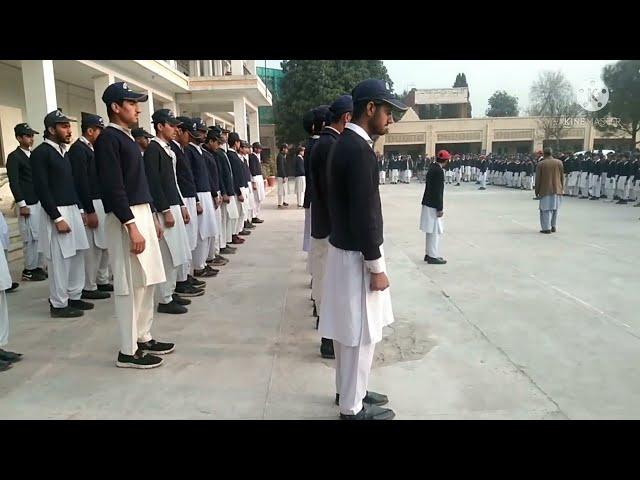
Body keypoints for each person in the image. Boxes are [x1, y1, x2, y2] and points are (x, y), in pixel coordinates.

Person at [320, 79, 406, 420]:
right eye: (387, 112)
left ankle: (350, 391)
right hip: (357, 254)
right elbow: (365, 214)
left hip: (343, 248)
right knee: (360, 336)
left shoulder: (343, 144)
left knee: (347, 334)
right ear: (370, 108)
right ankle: (351, 409)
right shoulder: (359, 151)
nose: (390, 120)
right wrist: (377, 266)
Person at [94, 81, 171, 369]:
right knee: (129, 284)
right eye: (131, 103)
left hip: (141, 213)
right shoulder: (108, 140)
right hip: (125, 218)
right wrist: (132, 225)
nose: (137, 108)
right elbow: (114, 188)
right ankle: (128, 350)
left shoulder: (126, 138)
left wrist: (150, 217)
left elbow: (138, 184)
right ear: (115, 107)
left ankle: (143, 336)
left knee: (146, 280)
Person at [32, 110, 91, 318]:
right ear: (51, 129)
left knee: (76, 254)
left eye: (69, 126)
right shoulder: (41, 153)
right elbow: (42, 187)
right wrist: (56, 217)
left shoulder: (64, 152)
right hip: (56, 211)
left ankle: (74, 295)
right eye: (64, 126)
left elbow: (72, 184)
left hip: (72, 208)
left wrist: (80, 209)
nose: (69, 130)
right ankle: (58, 304)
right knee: (60, 260)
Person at [310, 94, 353, 360]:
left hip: (323, 224)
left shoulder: (323, 143)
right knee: (328, 286)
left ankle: (328, 336)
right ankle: (328, 340)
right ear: (347, 117)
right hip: (329, 227)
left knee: (325, 283)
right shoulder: (331, 145)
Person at [143, 109, 191, 314]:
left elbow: (172, 182)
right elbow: (154, 183)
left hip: (173, 204)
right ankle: (164, 298)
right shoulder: (153, 149)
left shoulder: (168, 149)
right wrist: (164, 210)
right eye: (171, 125)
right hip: (165, 208)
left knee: (176, 253)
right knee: (167, 255)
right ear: (160, 126)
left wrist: (181, 205)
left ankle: (170, 291)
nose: (175, 129)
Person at [68, 112, 113, 302]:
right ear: (90, 130)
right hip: (90, 202)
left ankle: (101, 279)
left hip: (100, 201)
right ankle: (89, 285)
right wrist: (88, 210)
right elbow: (81, 182)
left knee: (103, 245)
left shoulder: (93, 148)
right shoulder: (78, 150)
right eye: (99, 131)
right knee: (92, 249)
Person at [6, 122, 47, 282]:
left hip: (37, 200)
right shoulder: (14, 157)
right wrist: (21, 203)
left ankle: (38, 266)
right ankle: (29, 269)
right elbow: (14, 182)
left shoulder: (33, 155)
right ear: (19, 138)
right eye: (27, 136)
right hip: (27, 202)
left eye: (32, 136)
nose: (31, 139)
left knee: (38, 236)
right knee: (29, 237)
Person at [171, 117, 207, 296]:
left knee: (190, 240)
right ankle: (180, 280)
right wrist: (182, 203)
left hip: (189, 197)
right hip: (181, 199)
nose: (190, 138)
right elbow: (175, 181)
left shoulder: (181, 150)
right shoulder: (171, 150)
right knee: (184, 241)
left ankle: (186, 274)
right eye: (188, 134)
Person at [420, 150, 449, 264]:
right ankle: (433, 255)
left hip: (428, 202)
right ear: (446, 160)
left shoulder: (432, 167)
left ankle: (428, 253)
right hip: (433, 204)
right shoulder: (439, 171)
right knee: (434, 231)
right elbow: (438, 191)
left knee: (430, 230)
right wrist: (440, 208)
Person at [535, 147, 564, 234]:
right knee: (555, 208)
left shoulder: (541, 164)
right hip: (557, 189)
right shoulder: (559, 162)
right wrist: (561, 187)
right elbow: (562, 176)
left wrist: (537, 191)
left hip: (545, 189)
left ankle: (546, 228)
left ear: (544, 154)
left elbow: (538, 179)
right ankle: (553, 226)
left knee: (545, 209)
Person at [249, 142, 266, 224]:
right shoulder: (252, 157)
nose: (260, 150)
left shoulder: (257, 157)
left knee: (259, 198)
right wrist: (253, 182)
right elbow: (252, 170)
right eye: (259, 148)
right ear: (255, 148)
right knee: (256, 198)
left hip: (259, 177)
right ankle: (253, 216)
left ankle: (256, 214)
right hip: (255, 178)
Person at [276, 143, 289, 208]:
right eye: (286, 149)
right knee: (281, 190)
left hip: (283, 176)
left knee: (284, 190)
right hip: (281, 176)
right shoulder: (280, 156)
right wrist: (284, 176)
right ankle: (279, 203)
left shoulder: (282, 156)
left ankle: (284, 201)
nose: (287, 150)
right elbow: (281, 167)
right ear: (283, 149)